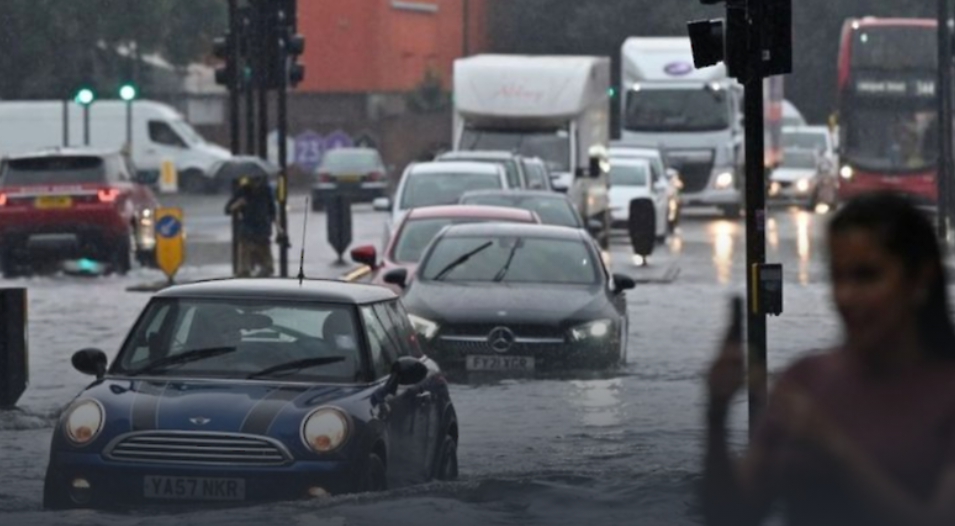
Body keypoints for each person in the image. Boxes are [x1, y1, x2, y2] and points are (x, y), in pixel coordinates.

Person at [703, 191, 955, 526]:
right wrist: (716, 415)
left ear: (920, 279)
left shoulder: (946, 392)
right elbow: (732, 515)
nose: (847, 296)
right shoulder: (804, 381)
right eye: (838, 277)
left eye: (867, 276)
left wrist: (833, 446)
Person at [225, 175, 277, 277]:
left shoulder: (266, 191)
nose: (255, 183)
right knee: (245, 248)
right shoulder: (243, 190)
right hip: (248, 226)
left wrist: (278, 227)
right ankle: (245, 270)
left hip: (262, 227)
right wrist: (238, 204)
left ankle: (263, 268)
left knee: (265, 254)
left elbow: (272, 211)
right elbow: (228, 209)